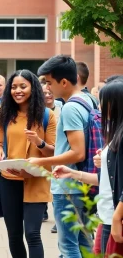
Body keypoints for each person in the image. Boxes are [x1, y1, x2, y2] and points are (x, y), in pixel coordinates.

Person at [33, 55, 94, 257]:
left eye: (49, 83)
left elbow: (77, 152)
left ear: (64, 82)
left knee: (68, 247)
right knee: (84, 243)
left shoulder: (69, 108)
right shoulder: (87, 101)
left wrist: (41, 161)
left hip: (68, 186)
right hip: (83, 184)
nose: (47, 88)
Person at [53, 79, 123, 255]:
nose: (99, 107)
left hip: (114, 218)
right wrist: (72, 173)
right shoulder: (114, 136)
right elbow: (107, 181)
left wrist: (117, 217)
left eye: (103, 102)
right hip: (105, 216)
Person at [0, 70, 56, 258]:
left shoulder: (46, 116)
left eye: (23, 86)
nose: (17, 91)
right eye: (13, 87)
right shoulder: (6, 114)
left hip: (35, 181)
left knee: (32, 234)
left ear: (33, 88)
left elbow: (53, 152)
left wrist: (39, 142)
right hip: (9, 180)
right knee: (14, 235)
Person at [41, 83, 62, 225]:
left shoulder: (63, 108)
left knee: (56, 185)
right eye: (44, 93)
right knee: (42, 183)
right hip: (42, 152)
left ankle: (58, 220)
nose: (48, 95)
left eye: (50, 92)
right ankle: (42, 212)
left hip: (58, 152)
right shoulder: (37, 111)